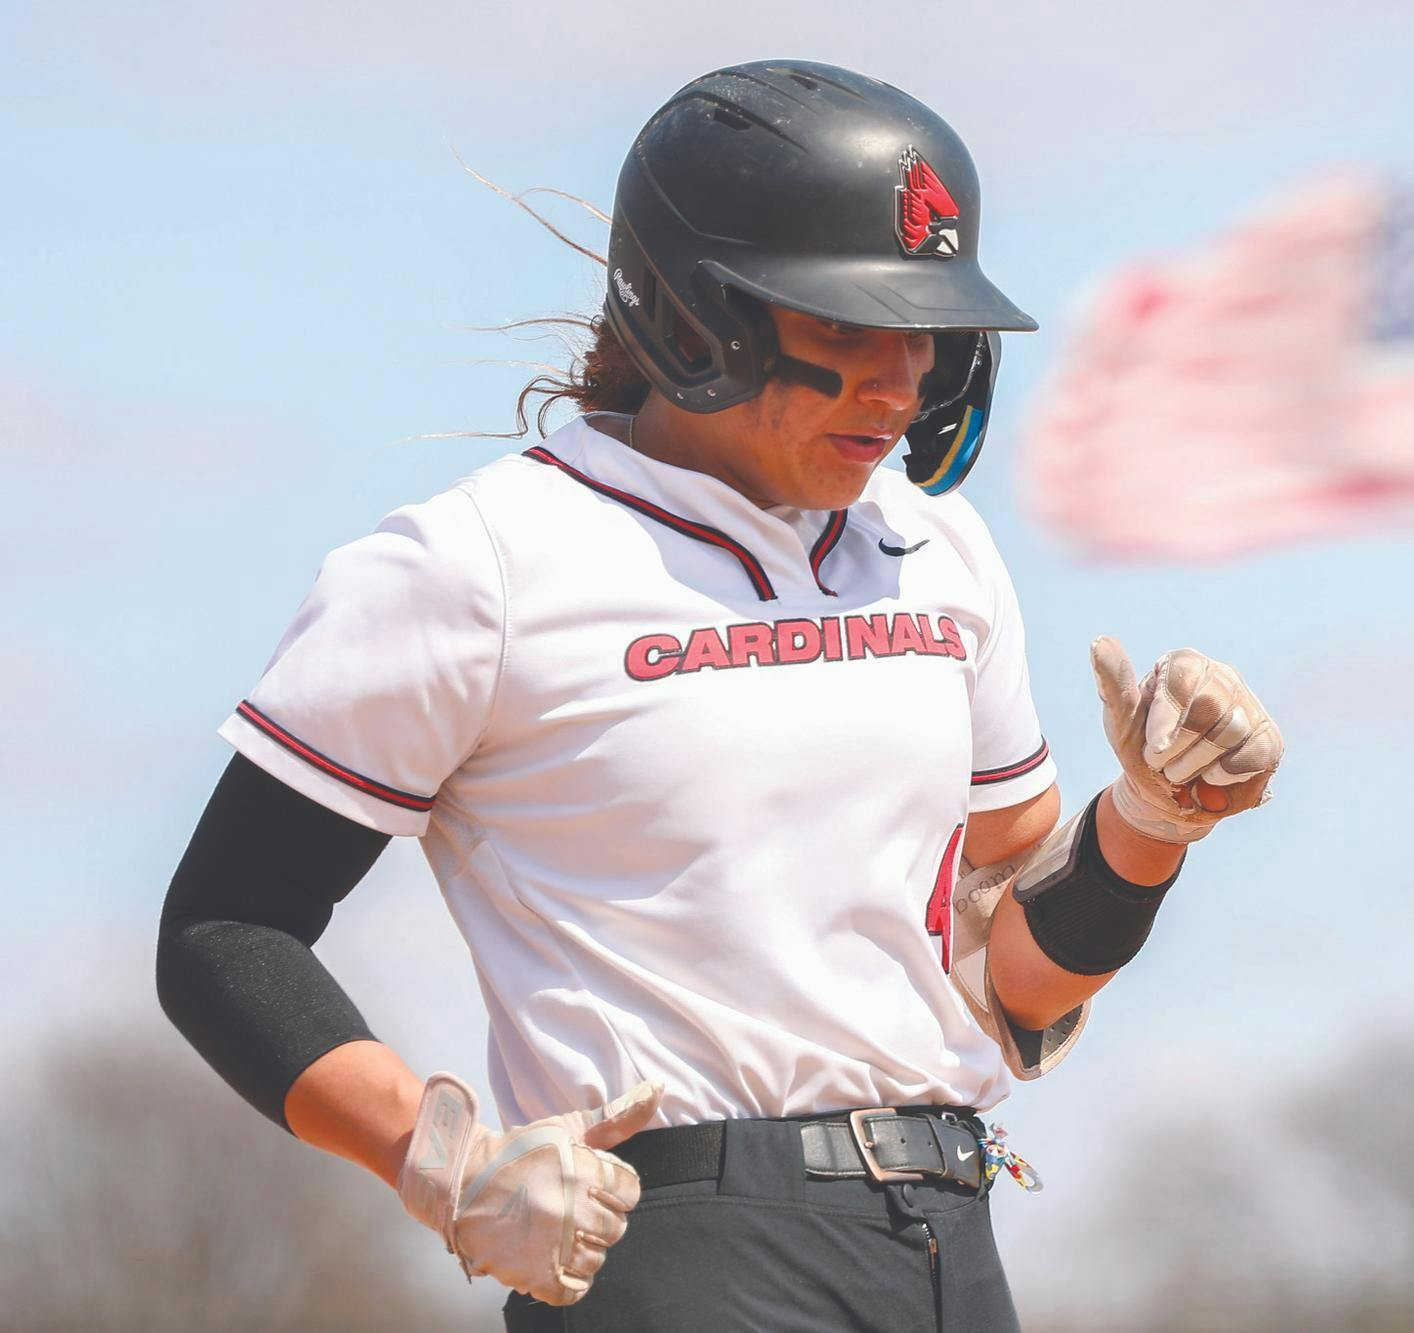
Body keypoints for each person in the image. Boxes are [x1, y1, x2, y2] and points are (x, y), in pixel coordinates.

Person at [157, 59, 1283, 1332]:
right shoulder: (481, 562)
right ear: (695, 318)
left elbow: (1002, 976)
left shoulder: (937, 546)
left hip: (946, 1240)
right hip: (678, 1244)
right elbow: (226, 928)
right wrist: (447, 1165)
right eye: (847, 326)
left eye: (922, 327)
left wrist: (1147, 829)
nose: (901, 378)